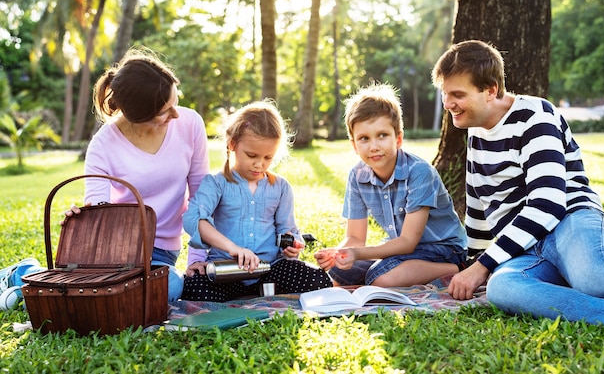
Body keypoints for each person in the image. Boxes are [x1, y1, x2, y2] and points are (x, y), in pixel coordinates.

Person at [431, 39, 604, 324]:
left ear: (490, 90)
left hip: (570, 222)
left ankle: (581, 278)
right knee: (503, 287)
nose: (448, 104)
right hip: (525, 246)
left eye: (457, 94)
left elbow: (548, 204)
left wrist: (483, 266)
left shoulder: (535, 116)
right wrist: (474, 263)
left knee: (594, 278)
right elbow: (477, 202)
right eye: (445, 94)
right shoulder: (476, 130)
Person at [0, 47, 210, 308]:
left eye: (175, 103)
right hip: (116, 250)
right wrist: (84, 216)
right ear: (137, 115)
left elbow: (202, 197)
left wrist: (197, 258)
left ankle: (31, 279)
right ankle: (26, 277)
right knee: (124, 294)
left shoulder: (190, 124)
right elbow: (99, 208)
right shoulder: (103, 145)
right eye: (164, 111)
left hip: (162, 252)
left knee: (172, 286)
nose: (175, 114)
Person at [314, 83, 468, 287]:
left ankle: (458, 269)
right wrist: (337, 255)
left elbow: (408, 242)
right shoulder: (357, 176)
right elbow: (354, 238)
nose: (374, 146)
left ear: (398, 138)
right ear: (354, 145)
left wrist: (357, 254)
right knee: (337, 273)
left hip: (444, 250)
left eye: (382, 135)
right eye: (364, 139)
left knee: (381, 278)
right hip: (400, 251)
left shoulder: (419, 172)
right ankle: (384, 273)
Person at [181, 100, 333, 302]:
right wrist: (233, 249)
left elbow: (287, 229)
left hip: (269, 269)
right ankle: (257, 295)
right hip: (226, 270)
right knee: (193, 287)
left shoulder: (280, 187)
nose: (259, 164)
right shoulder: (216, 183)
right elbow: (195, 220)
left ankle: (254, 294)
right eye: (251, 155)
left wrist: (291, 245)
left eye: (268, 157)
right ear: (232, 144)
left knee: (318, 279)